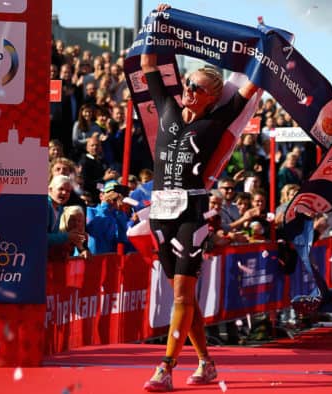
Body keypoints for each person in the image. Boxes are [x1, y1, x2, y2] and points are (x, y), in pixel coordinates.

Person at [140, 4, 259, 390]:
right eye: (187, 84)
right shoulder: (169, 110)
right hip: (160, 212)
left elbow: (252, 85)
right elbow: (147, 65)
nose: (188, 90)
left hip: (191, 211)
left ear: (211, 97)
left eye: (197, 88)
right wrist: (158, 23)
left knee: (181, 294)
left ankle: (165, 366)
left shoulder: (216, 122)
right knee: (182, 295)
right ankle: (206, 363)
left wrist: (264, 46)